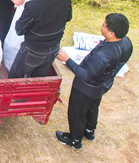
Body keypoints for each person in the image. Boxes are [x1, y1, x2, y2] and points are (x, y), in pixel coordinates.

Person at [55, 13, 133, 150]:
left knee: (77, 112)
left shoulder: (103, 56)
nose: (101, 27)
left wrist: (67, 60)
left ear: (112, 33)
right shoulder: (126, 43)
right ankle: (89, 131)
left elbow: (85, 75)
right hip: (103, 84)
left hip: (86, 88)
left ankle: (75, 139)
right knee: (92, 107)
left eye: (104, 25)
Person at [8, 0, 72, 78]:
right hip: (53, 49)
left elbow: (19, 30)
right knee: (39, 77)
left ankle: (17, 96)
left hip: (33, 52)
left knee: (15, 77)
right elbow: (68, 18)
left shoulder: (33, 6)